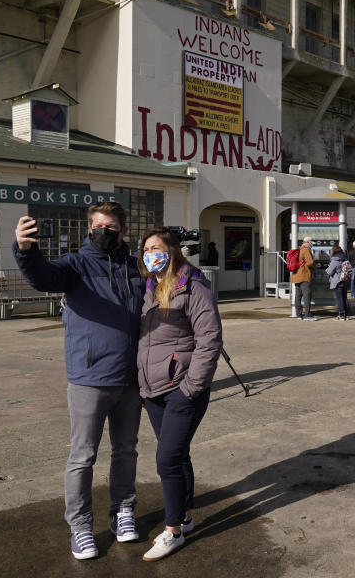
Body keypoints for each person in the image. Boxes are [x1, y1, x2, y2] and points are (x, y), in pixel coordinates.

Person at [13, 202, 143, 561]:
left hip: (131, 379)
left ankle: (123, 512)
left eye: (112, 226)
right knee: (83, 456)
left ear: (123, 231)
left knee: (126, 450)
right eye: (99, 225)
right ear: (89, 229)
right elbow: (42, 277)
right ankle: (81, 527)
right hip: (90, 378)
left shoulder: (136, 266)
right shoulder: (75, 265)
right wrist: (26, 250)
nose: (105, 231)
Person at [136, 229, 222, 561]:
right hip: (152, 389)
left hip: (180, 389)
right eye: (145, 249)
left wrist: (191, 387)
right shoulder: (149, 288)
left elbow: (210, 338)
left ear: (172, 251)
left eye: (156, 248)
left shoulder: (193, 287)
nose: (149, 254)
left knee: (167, 460)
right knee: (178, 454)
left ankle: (172, 531)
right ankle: (185, 517)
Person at [291, 236, 316, 321]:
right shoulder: (306, 250)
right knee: (307, 296)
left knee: (298, 295)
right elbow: (310, 262)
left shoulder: (298, 249)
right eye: (311, 243)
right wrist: (314, 267)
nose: (311, 245)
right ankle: (307, 315)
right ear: (308, 242)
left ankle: (299, 314)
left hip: (296, 276)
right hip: (304, 275)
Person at [326, 244, 350, 321]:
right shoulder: (345, 258)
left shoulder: (335, 260)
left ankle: (341, 315)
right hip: (345, 279)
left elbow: (329, 272)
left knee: (339, 299)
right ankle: (347, 315)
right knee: (344, 298)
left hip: (337, 281)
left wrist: (327, 268)